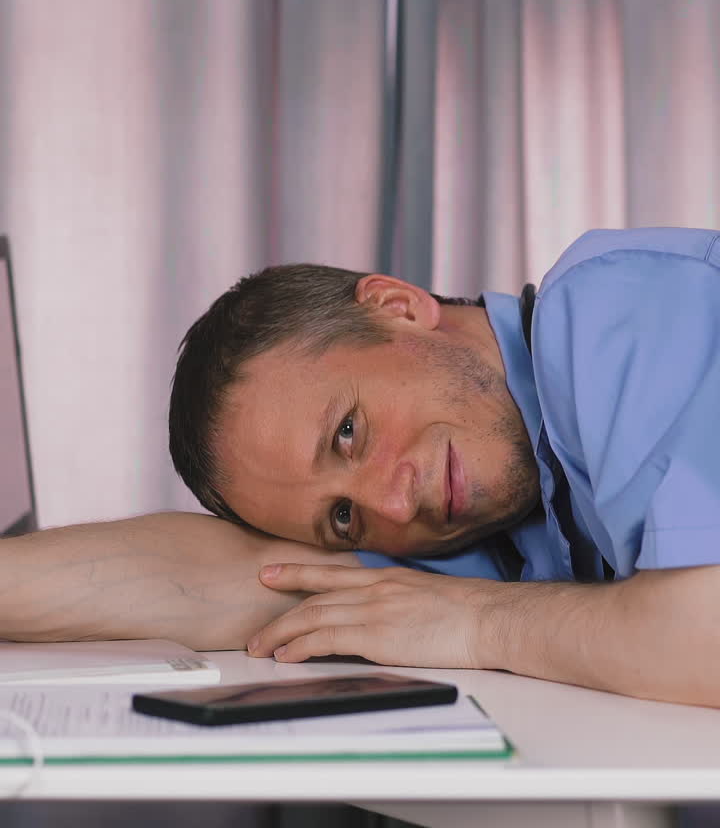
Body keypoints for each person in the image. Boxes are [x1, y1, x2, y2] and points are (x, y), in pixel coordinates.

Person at [1, 227, 719, 709]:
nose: (394, 505)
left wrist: (484, 625)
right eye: (342, 518)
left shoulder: (617, 310)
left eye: (348, 433)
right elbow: (219, 579)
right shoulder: (476, 510)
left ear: (397, 307)